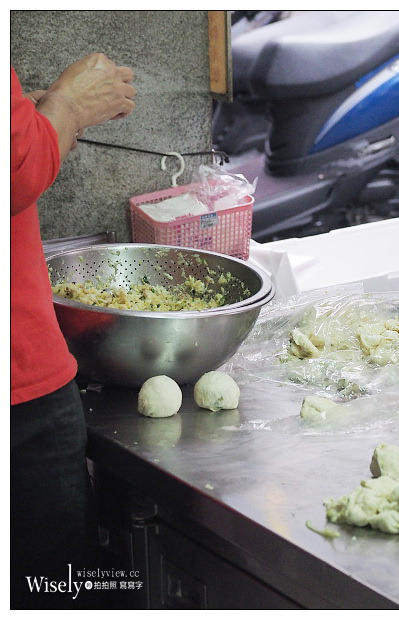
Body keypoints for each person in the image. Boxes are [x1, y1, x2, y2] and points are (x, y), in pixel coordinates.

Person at [11, 53, 135, 609]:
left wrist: (37, 117)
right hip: (19, 387)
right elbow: (15, 168)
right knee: (54, 589)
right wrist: (66, 108)